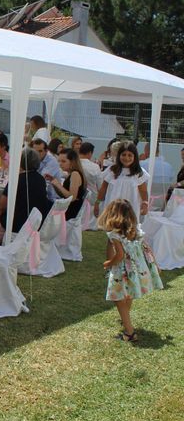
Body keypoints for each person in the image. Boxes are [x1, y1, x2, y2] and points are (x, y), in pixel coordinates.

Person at [98, 199, 162, 342]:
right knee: (129, 294)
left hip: (123, 272)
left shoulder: (114, 235)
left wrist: (108, 263)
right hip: (137, 270)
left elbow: (119, 255)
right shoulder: (136, 230)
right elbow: (147, 248)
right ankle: (125, 319)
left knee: (119, 299)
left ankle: (129, 332)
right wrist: (155, 265)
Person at [0, 148, 51, 245]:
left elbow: (2, 206)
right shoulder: (41, 179)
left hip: (18, 223)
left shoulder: (17, 180)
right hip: (35, 223)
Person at [95, 141, 149, 219]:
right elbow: (103, 188)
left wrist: (145, 203)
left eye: (130, 155)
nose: (126, 158)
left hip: (131, 208)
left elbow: (143, 191)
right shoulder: (112, 170)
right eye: (123, 155)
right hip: (112, 207)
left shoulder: (138, 173)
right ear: (119, 155)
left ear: (135, 157)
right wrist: (97, 202)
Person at [45, 148, 86, 220]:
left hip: (70, 213)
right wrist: (54, 183)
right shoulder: (70, 174)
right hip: (68, 209)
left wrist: (58, 185)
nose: (60, 164)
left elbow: (72, 198)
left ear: (72, 162)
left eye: (63, 161)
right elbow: (63, 195)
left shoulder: (75, 174)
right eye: (59, 161)